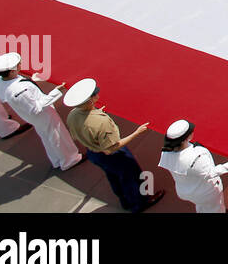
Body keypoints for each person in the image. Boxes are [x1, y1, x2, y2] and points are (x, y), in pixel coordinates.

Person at [63, 78, 164, 212]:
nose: (97, 94)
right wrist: (136, 133)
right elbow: (111, 148)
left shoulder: (73, 115)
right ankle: (139, 203)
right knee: (131, 176)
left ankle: (125, 201)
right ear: (89, 100)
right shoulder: (100, 122)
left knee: (113, 177)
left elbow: (81, 131)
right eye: (95, 94)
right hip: (111, 155)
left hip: (93, 152)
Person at [0, 52, 82, 171]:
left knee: (47, 137)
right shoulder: (20, 89)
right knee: (57, 135)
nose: (20, 65)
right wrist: (57, 92)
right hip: (41, 115)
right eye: (18, 65)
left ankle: (57, 160)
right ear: (12, 71)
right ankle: (70, 159)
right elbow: (36, 108)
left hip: (29, 115)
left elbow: (3, 97)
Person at [158, 119, 228, 213]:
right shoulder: (196, 157)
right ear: (186, 138)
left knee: (201, 206)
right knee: (217, 209)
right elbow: (210, 173)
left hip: (186, 191)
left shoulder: (166, 153)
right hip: (206, 192)